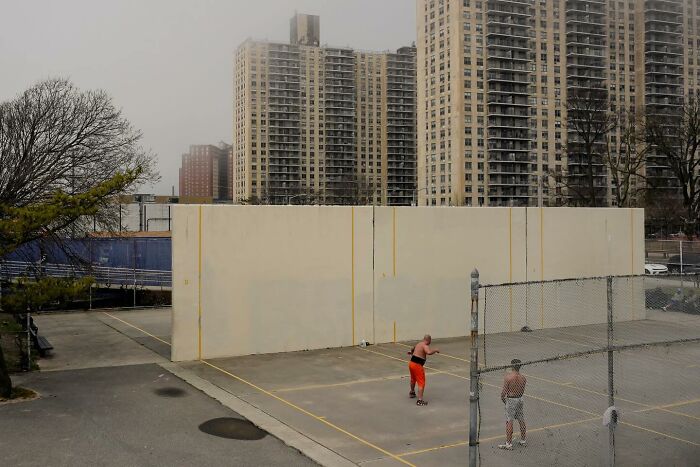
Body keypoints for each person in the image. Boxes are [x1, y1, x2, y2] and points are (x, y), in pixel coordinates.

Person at [498, 359, 527, 450]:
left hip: (511, 400)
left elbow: (504, 392)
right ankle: (523, 440)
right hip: (520, 399)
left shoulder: (508, 377)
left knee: (509, 420)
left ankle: (508, 443)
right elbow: (522, 390)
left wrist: (504, 399)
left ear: (512, 366)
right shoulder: (523, 378)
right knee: (521, 419)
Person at [407, 334, 439, 406]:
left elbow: (412, 348)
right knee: (421, 382)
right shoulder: (425, 345)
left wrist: (411, 352)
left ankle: (412, 392)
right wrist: (435, 350)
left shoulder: (419, 343)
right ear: (429, 340)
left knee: (413, 379)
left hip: (411, 363)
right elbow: (428, 352)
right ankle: (420, 400)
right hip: (417, 365)